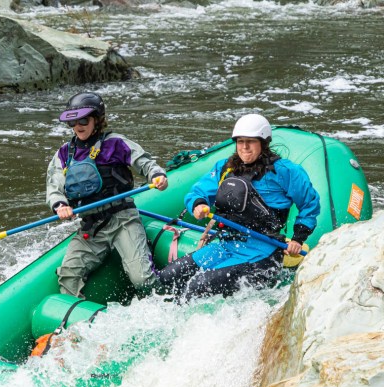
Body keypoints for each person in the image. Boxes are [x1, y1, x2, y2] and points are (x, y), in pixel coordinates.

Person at [158, 113, 320, 301]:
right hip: (227, 243)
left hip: (263, 251)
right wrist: (198, 204)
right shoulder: (225, 168)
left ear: (263, 143)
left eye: (250, 142)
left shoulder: (285, 171)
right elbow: (198, 191)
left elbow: (310, 204)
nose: (244, 147)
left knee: (196, 288)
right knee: (166, 278)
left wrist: (298, 238)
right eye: (240, 141)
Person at [46, 91, 168, 298]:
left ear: (97, 119)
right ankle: (76, 323)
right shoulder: (64, 153)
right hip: (91, 226)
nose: (78, 125)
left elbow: (145, 163)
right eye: (73, 121)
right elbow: (54, 186)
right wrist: (60, 205)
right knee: (68, 274)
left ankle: (165, 297)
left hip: (123, 220)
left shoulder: (115, 143)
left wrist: (157, 175)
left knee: (142, 279)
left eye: (83, 119)